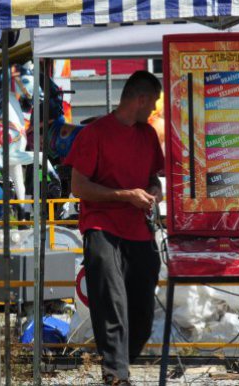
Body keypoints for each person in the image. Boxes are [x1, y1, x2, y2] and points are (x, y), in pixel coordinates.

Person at [65, 70, 164, 386]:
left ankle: (122, 362)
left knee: (143, 310)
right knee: (112, 301)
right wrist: (126, 196)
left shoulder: (147, 135)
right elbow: (78, 187)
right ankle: (116, 375)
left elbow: (153, 178)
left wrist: (153, 191)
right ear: (141, 99)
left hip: (138, 229)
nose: (154, 110)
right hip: (101, 227)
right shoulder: (94, 133)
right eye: (153, 103)